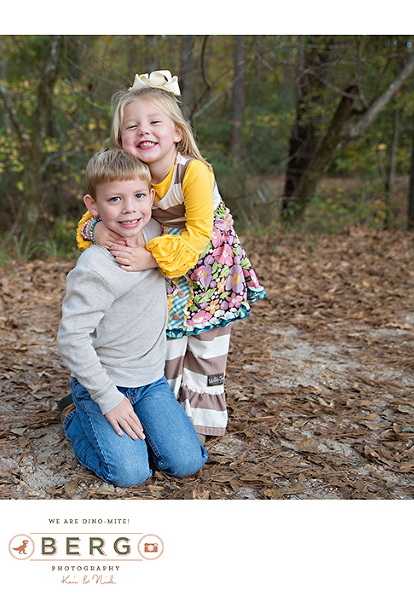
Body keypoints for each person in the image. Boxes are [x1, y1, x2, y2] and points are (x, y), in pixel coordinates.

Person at [76, 70, 266, 440]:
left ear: (177, 132)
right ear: (120, 140)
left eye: (154, 122)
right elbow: (96, 211)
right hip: (171, 274)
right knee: (169, 339)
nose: (143, 131)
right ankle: (163, 420)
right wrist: (97, 230)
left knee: (206, 345)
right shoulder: (132, 172)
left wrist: (149, 259)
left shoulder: (194, 172)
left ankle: (202, 424)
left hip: (208, 270)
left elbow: (197, 237)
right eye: (132, 126)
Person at [57, 147, 207, 488]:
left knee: (186, 462)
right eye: (114, 200)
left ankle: (137, 428)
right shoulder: (96, 267)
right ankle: (73, 419)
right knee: (129, 473)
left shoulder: (160, 236)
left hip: (151, 381)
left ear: (152, 196)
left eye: (139, 195)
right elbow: (70, 340)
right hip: (106, 383)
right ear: (92, 206)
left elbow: (199, 242)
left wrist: (151, 257)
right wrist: (109, 399)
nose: (129, 209)